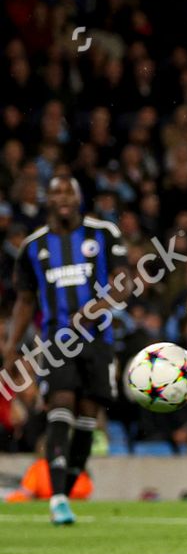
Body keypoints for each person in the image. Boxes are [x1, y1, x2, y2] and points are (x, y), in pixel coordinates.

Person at [3, 173, 127, 525]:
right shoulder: (33, 246)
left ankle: (67, 490)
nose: (62, 198)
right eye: (55, 192)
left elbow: (124, 282)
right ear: (48, 200)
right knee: (60, 405)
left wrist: (94, 310)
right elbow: (25, 300)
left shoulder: (103, 233)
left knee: (87, 417)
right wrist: (12, 348)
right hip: (58, 341)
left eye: (67, 192)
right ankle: (57, 497)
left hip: (99, 340)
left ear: (78, 197)